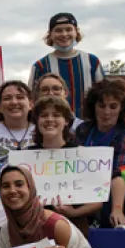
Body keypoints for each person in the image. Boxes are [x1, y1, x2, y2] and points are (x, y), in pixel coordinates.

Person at [26, 96, 101, 234]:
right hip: (34, 227)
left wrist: (74, 212)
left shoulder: (82, 155)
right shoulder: (25, 157)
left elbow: (98, 200)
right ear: (36, 121)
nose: (49, 119)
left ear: (66, 121)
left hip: (74, 227)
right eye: (44, 115)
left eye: (56, 115)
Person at [75, 78, 125, 227]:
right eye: (101, 106)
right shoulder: (82, 130)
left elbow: (118, 175)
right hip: (81, 196)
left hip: (112, 202)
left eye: (113, 106)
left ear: (122, 108)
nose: (107, 112)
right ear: (93, 106)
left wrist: (117, 209)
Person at [29, 13, 106, 114]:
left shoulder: (92, 61)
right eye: (58, 30)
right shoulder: (40, 66)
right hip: (52, 125)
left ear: (76, 33)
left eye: (68, 29)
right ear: (50, 35)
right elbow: (31, 100)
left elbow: (105, 95)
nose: (64, 34)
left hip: (87, 125)